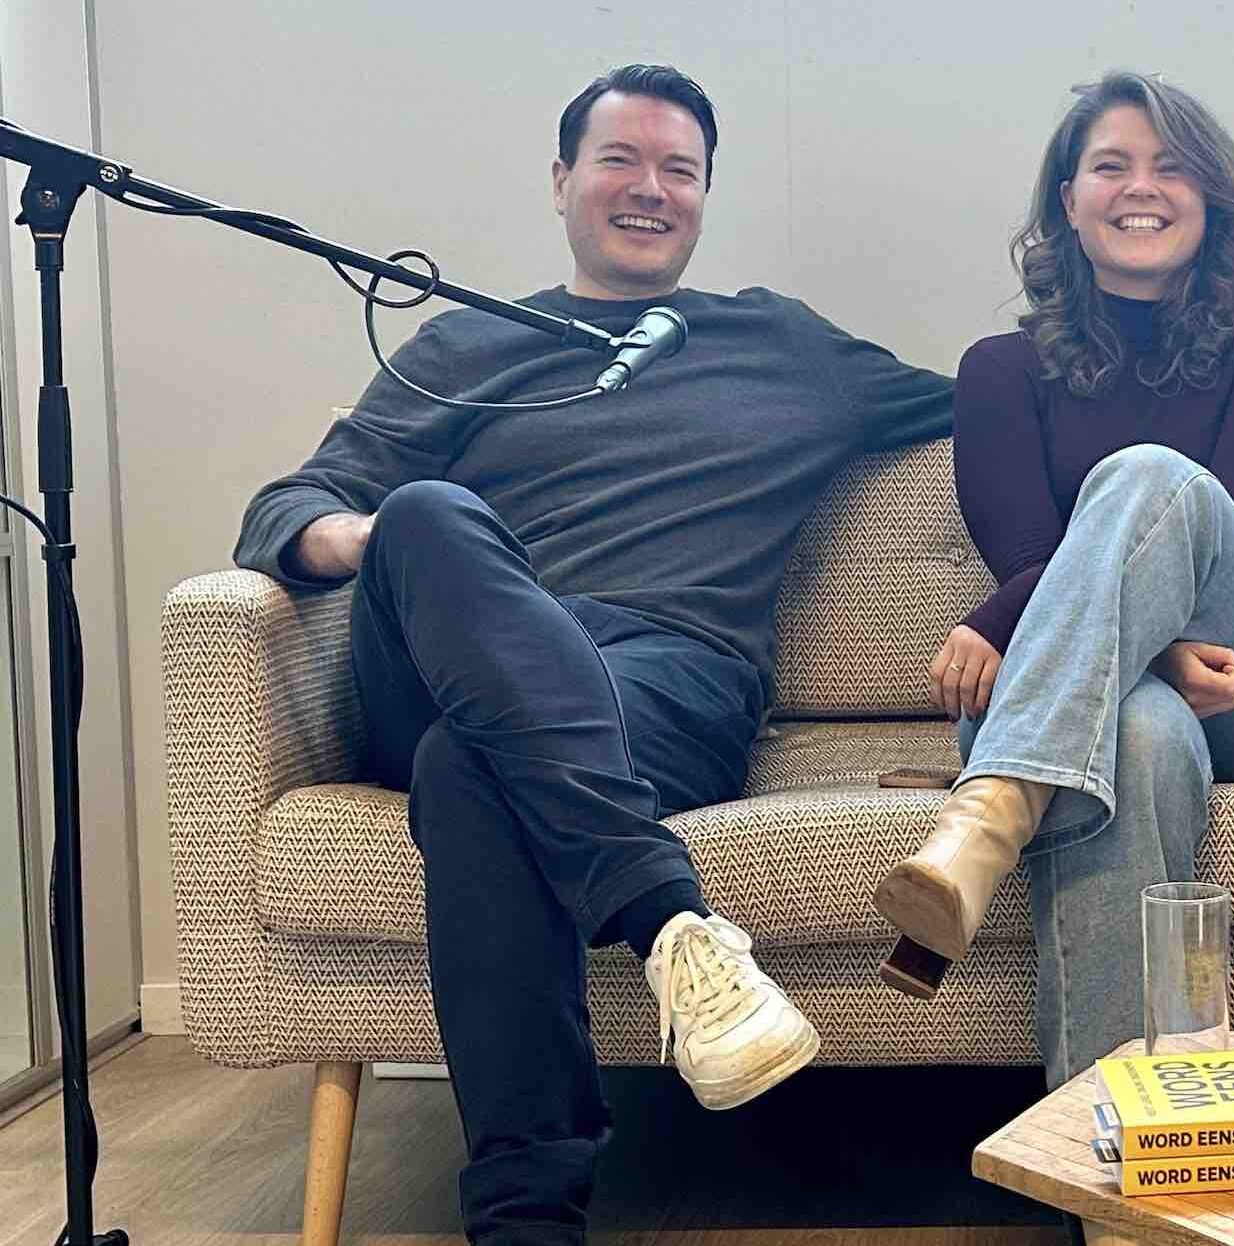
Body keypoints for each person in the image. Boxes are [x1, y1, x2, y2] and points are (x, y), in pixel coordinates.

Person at [232, 64, 953, 1243]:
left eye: (679, 169)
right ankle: (671, 921)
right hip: (457, 656)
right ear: (562, 180)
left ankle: (524, 1219)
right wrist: (380, 543)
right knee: (426, 512)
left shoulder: (781, 345)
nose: (649, 188)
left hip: (664, 682)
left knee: (471, 770)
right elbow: (287, 505)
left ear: (705, 195)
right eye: (620, 160)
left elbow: (999, 408)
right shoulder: (466, 347)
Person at [870, 70, 1234, 1089]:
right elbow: (1028, 551)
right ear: (1068, 203)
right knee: (1133, 735)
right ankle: (1112, 1130)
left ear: (1210, 197)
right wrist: (1154, 658)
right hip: (1119, 690)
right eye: (1111, 166)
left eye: (1171, 167)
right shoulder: (998, 370)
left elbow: (1221, 520)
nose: (1141, 188)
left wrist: (999, 618)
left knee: (1150, 477)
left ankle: (988, 813)